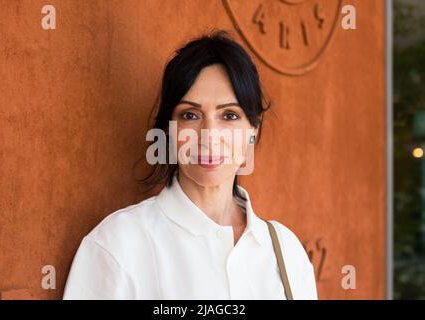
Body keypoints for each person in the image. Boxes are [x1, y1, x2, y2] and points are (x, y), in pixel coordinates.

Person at [63, 30, 318, 300]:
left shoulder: (286, 253)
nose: (209, 135)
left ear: (252, 129)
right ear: (169, 130)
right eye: (191, 115)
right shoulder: (118, 244)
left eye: (229, 115)